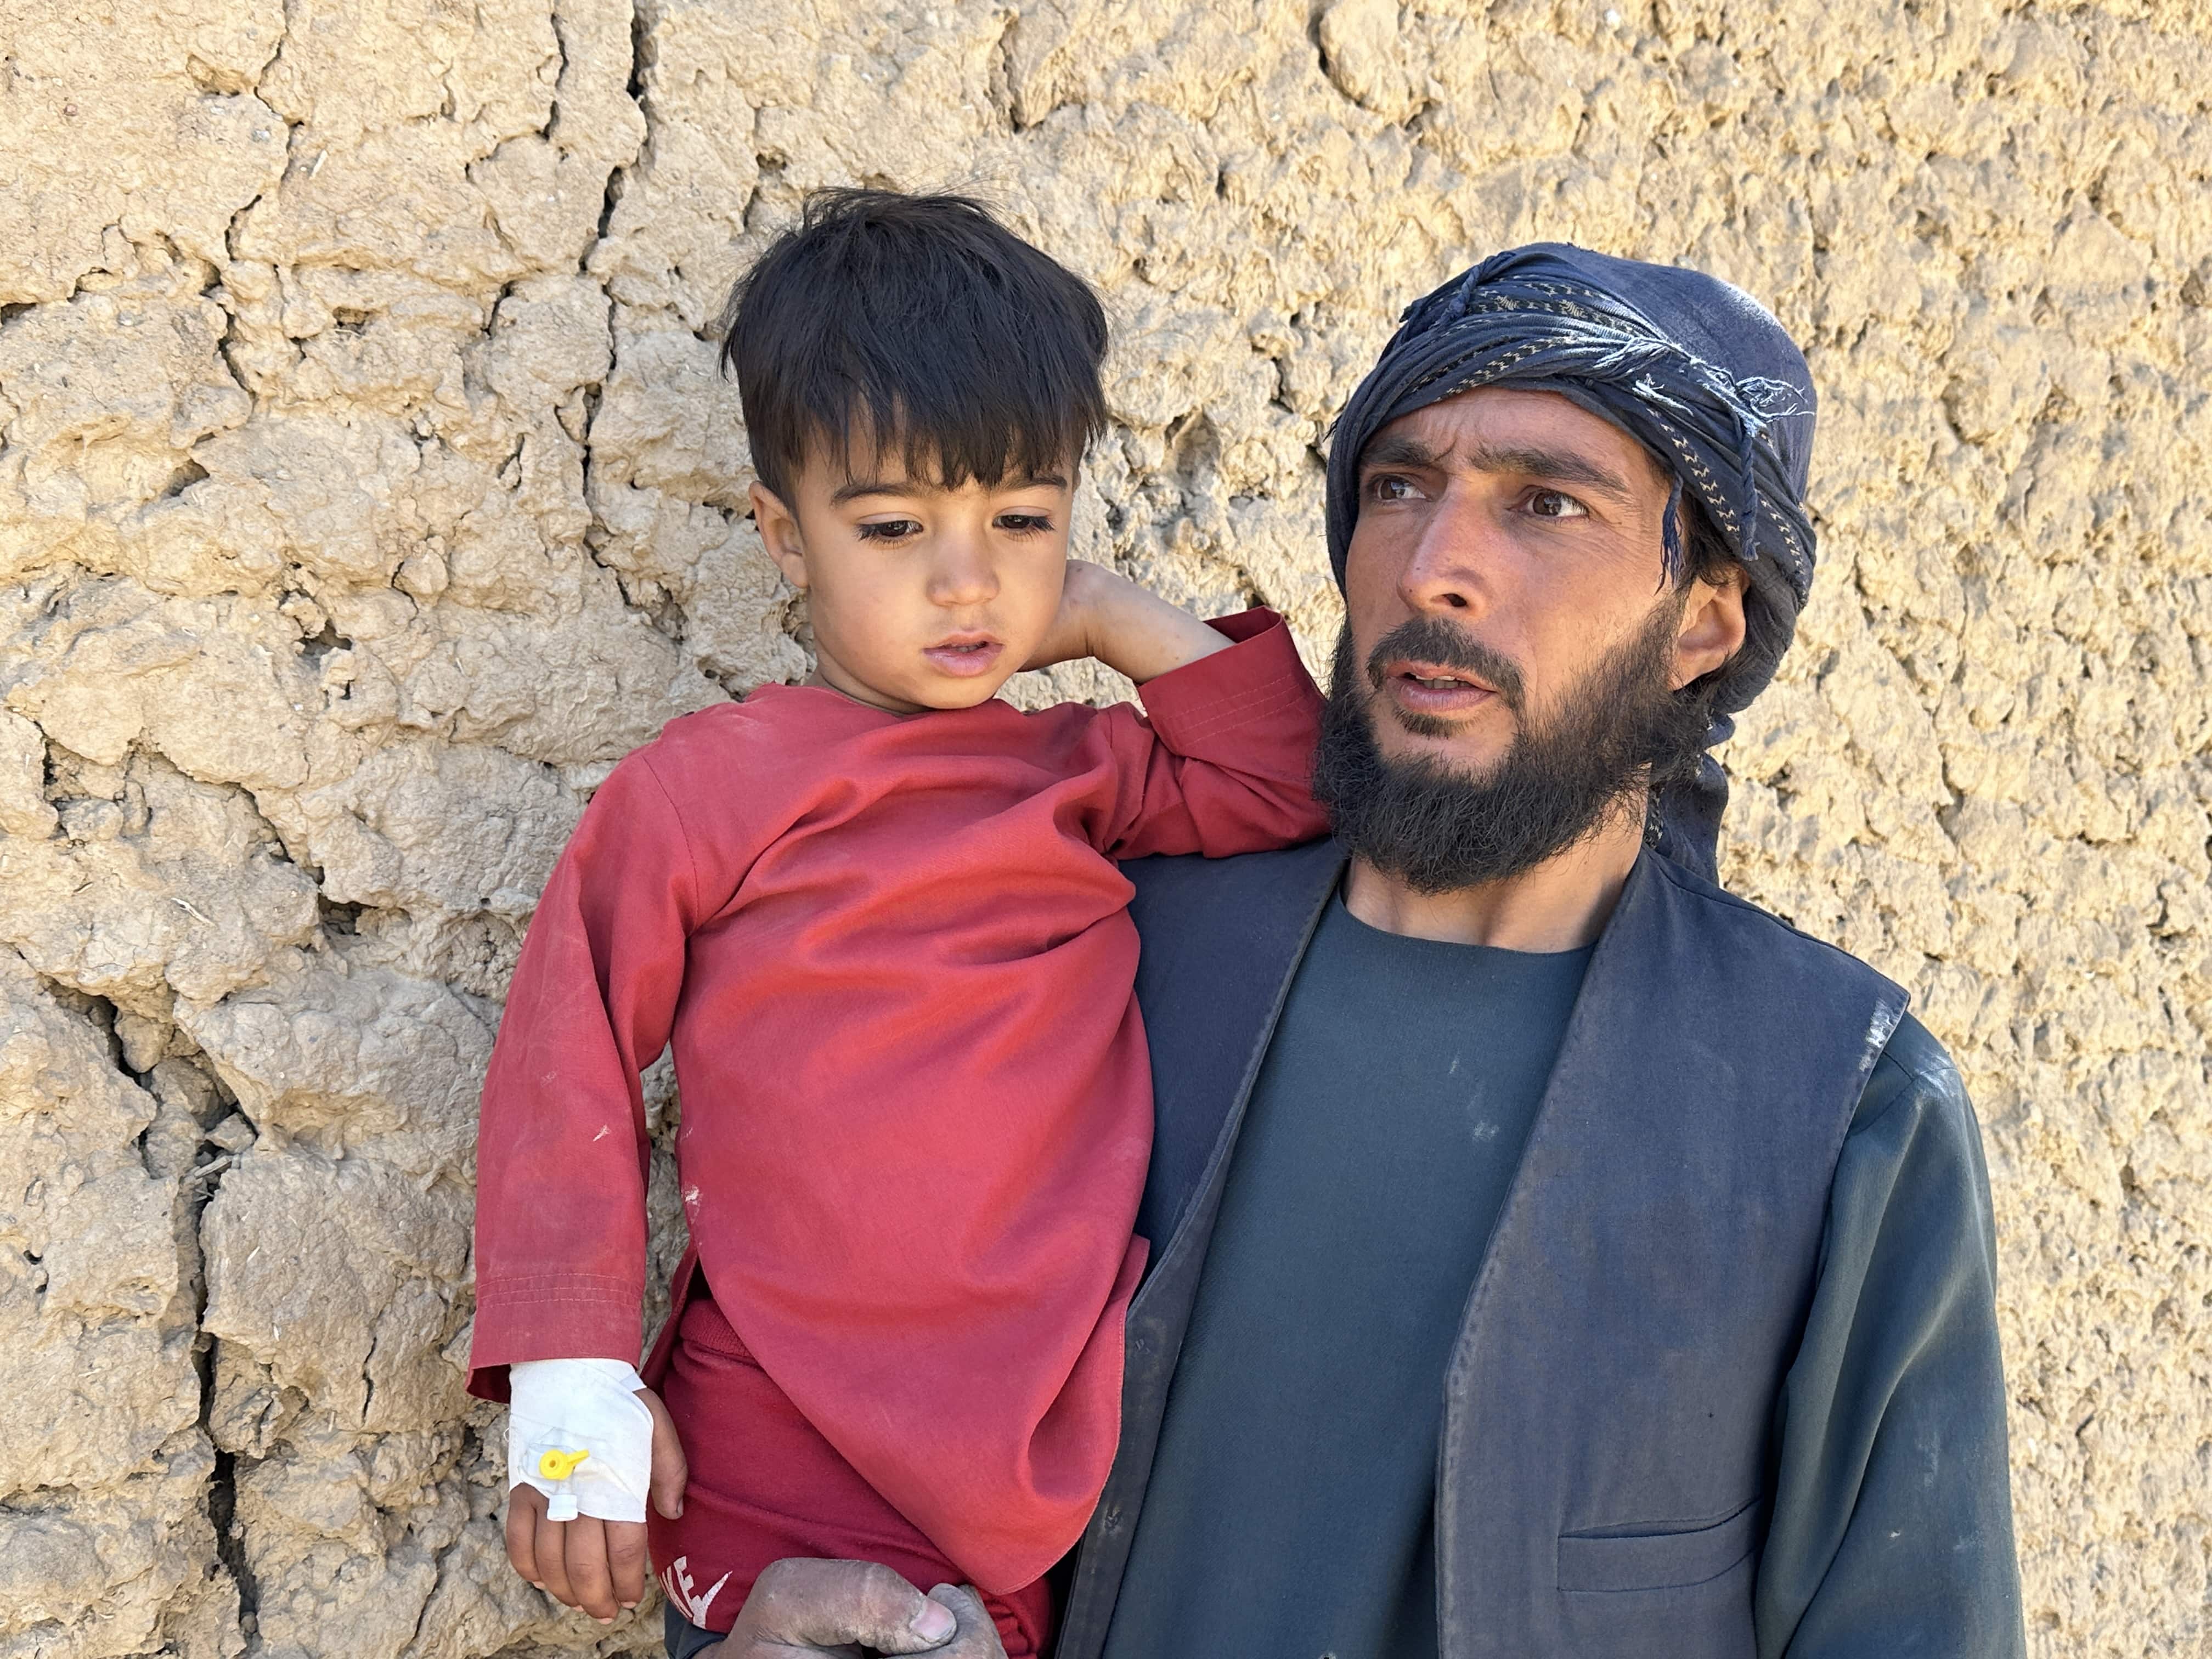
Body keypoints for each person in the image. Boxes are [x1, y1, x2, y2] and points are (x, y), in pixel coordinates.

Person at [697, 245, 2029, 1658]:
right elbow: (797, 1358)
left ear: (1701, 620)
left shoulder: (1833, 1109)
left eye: (1548, 504)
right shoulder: (1091, 945)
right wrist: (770, 1623)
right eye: (1398, 487)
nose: (1434, 567)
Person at [464, 189, 1331, 1658]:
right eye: (891, 527)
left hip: (1038, 1434)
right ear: (785, 536)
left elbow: (1291, 786)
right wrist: (570, 1386)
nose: (966, 580)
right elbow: (569, 1060)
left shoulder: (1080, 776)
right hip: (778, 1426)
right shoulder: (707, 793)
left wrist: (1106, 615)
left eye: (1022, 521)